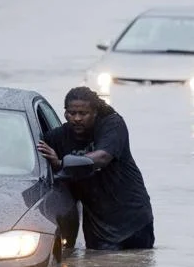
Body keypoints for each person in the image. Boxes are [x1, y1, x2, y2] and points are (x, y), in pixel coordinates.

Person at [37, 87, 154, 250]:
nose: (77, 118)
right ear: (65, 114)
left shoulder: (112, 125)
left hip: (132, 218)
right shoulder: (57, 138)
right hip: (98, 226)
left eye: (83, 113)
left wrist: (62, 163)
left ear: (95, 113)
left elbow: (103, 157)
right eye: (71, 113)